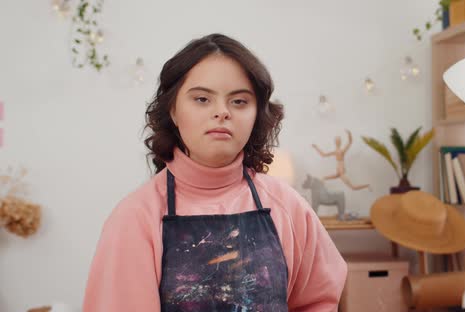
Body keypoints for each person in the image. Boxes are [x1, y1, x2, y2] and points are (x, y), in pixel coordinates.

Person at [82, 33, 347, 312]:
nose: (222, 112)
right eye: (202, 99)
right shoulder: (135, 217)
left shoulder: (288, 206)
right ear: (173, 110)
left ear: (257, 114)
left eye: (239, 101)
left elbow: (319, 302)